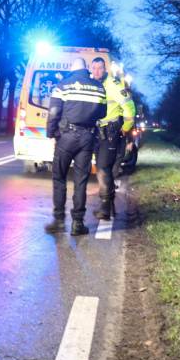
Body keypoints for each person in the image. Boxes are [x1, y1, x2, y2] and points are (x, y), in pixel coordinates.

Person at [44, 58, 106, 236]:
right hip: (87, 137)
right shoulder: (98, 87)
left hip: (66, 137)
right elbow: (103, 112)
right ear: (86, 69)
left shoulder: (63, 85)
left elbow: (54, 112)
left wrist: (51, 133)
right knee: (81, 181)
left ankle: (59, 221)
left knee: (59, 178)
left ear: (72, 69)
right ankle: (78, 223)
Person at [90, 58, 135, 220]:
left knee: (103, 168)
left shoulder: (114, 85)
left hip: (110, 131)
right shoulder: (92, 84)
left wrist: (125, 128)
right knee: (101, 167)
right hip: (97, 131)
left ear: (105, 69)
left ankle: (105, 207)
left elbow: (130, 107)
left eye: (99, 68)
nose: (96, 71)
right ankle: (108, 204)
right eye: (93, 68)